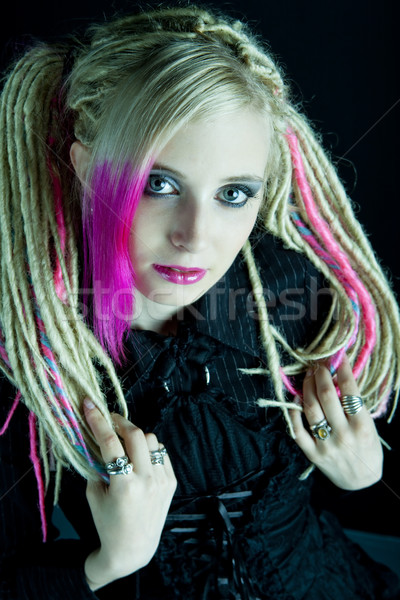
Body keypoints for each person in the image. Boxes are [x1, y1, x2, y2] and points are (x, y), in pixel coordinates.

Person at [0, 3, 399, 598]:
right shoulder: (32, 357)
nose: (195, 236)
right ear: (85, 168)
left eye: (234, 194)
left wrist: (366, 473)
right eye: (159, 185)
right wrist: (108, 562)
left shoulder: (288, 287)